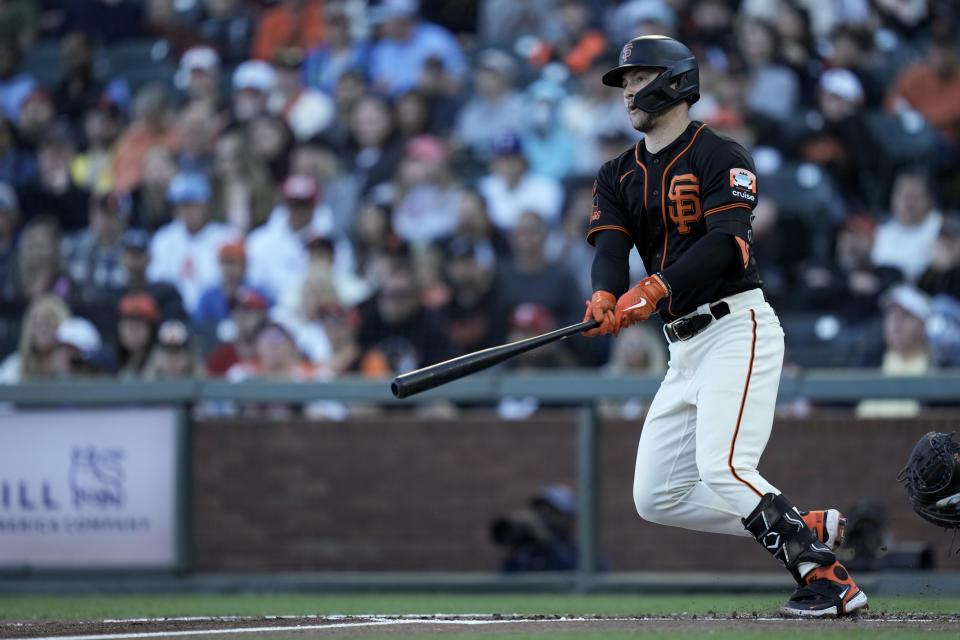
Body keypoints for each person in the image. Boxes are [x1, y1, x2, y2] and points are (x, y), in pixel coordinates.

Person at [579, 35, 866, 617]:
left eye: (638, 78)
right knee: (656, 496)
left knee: (725, 467)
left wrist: (656, 287)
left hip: (737, 327)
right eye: (626, 82)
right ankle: (798, 526)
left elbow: (727, 245)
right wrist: (605, 294)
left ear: (676, 81)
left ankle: (829, 580)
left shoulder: (721, 153)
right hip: (680, 349)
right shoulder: (615, 173)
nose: (629, 91)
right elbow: (611, 245)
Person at [147, 172, 238, 314]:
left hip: (214, 313)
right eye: (181, 205)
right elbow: (158, 281)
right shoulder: (163, 239)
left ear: (206, 205)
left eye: (193, 205)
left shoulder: (226, 236)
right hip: (174, 311)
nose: (187, 211)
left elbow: (232, 283)